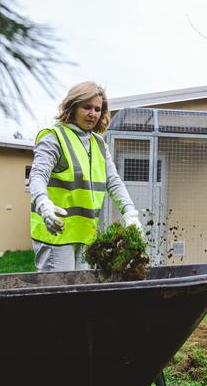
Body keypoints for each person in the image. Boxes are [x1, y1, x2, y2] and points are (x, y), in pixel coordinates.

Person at [29, 81, 142, 271]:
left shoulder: (98, 144)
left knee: (81, 297)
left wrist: (130, 212)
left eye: (98, 109)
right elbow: (37, 176)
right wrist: (43, 204)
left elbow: (113, 182)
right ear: (72, 107)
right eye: (87, 107)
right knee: (60, 298)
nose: (93, 114)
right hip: (57, 233)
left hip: (86, 236)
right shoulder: (54, 137)